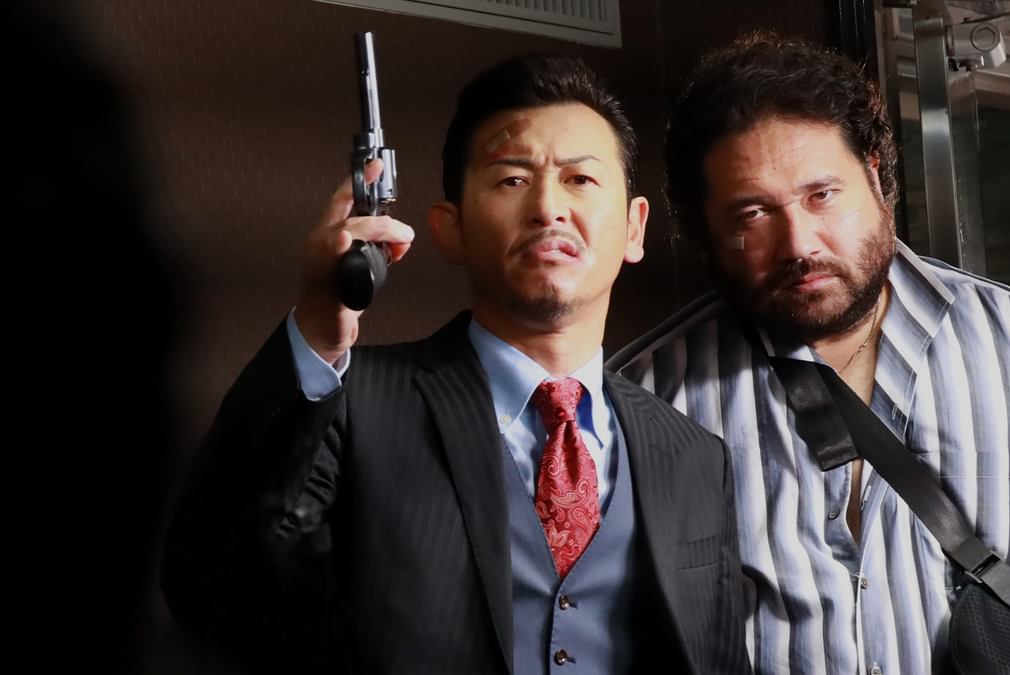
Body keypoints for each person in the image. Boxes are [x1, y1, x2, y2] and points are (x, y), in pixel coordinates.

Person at [162, 54, 750, 675]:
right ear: (451, 229)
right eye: (512, 180)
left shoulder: (693, 455)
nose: (548, 207)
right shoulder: (354, 405)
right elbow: (213, 590)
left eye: (580, 179)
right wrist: (315, 333)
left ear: (634, 229)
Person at [612, 31, 1010, 674]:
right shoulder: (646, 397)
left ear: (875, 174)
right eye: (752, 214)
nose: (799, 243)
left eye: (822, 195)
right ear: (703, 230)